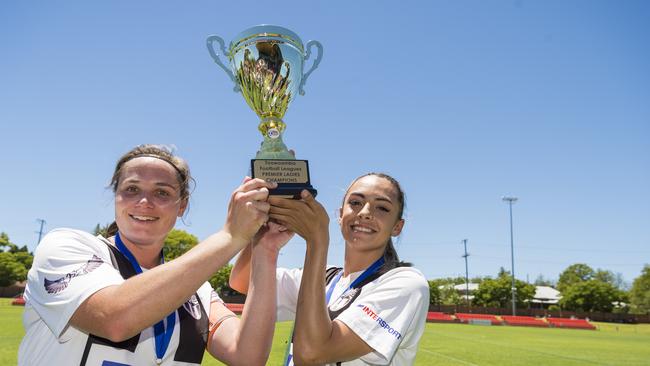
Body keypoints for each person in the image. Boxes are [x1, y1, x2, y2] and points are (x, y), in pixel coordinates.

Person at [18, 144, 280, 366]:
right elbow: (114, 318)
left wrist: (265, 250)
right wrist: (230, 237)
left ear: (182, 206)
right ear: (116, 196)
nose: (144, 201)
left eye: (162, 192)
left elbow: (247, 355)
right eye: (132, 189)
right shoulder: (65, 247)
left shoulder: (196, 290)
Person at [230, 173, 430, 365]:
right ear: (340, 214)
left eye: (382, 208)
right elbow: (242, 280)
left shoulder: (407, 283)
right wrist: (263, 231)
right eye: (355, 203)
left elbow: (311, 353)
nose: (365, 213)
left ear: (397, 227)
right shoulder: (326, 278)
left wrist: (317, 241)